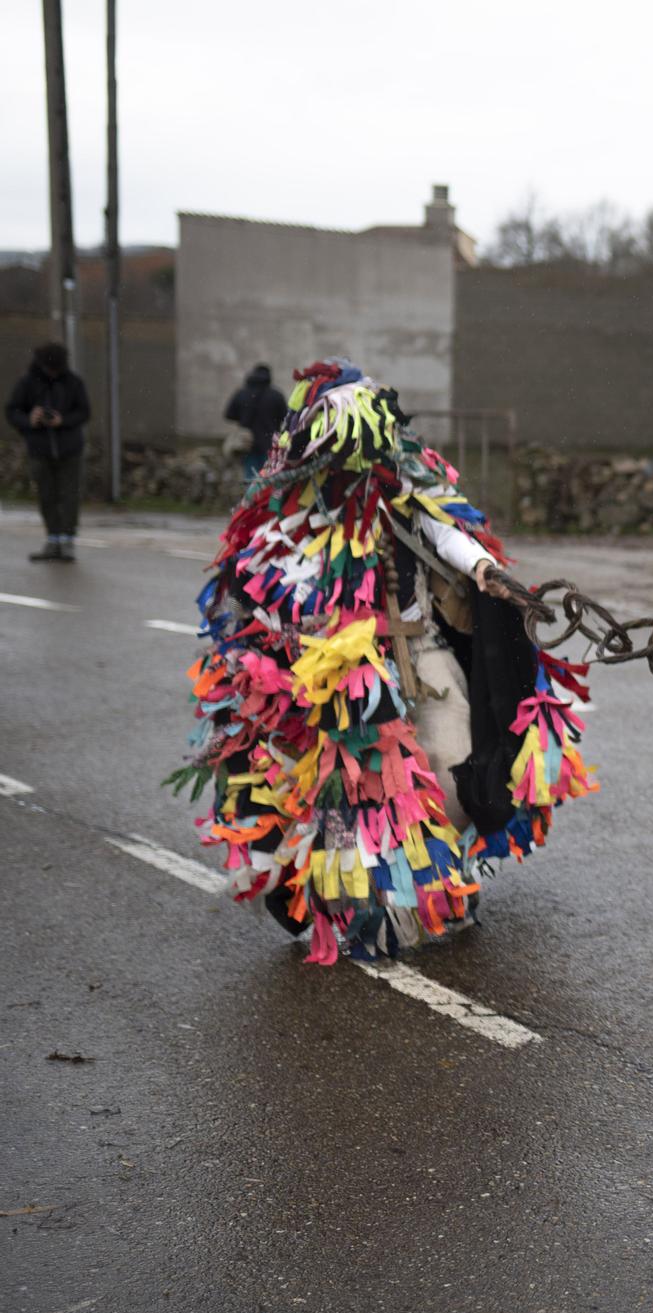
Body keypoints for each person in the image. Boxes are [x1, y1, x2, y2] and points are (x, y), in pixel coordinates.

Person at [169, 359, 597, 964]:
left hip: (426, 659)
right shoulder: (294, 515)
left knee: (455, 776)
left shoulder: (405, 490)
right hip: (341, 682)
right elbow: (257, 583)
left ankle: (446, 878)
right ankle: (376, 907)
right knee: (356, 803)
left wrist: (484, 569)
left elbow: (447, 533)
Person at [5, 343, 91, 563]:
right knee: (47, 495)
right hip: (40, 448)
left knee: (70, 495)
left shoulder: (73, 382)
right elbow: (12, 410)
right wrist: (29, 420)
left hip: (70, 448)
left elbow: (84, 411)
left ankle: (67, 540)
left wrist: (64, 420)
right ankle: (53, 539)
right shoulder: (27, 383)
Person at [222, 363, 288, 481]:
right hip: (269, 443)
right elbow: (285, 416)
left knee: (250, 478)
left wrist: (244, 418)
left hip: (247, 443)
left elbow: (229, 415)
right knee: (269, 478)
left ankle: (251, 498)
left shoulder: (242, 393)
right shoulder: (276, 395)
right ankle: (264, 498)